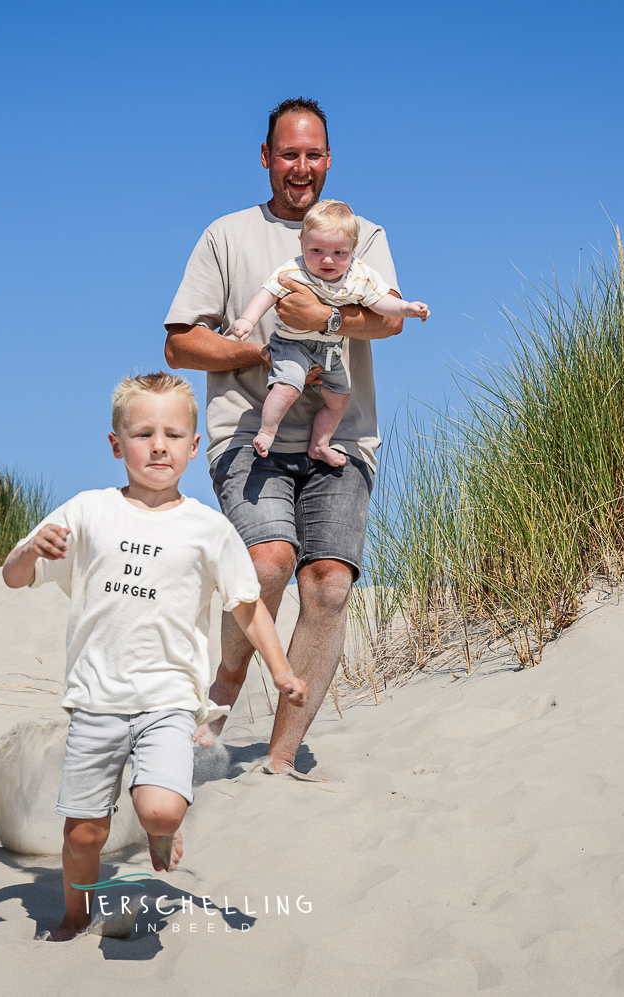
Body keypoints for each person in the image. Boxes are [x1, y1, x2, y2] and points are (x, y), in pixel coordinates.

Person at [1, 372, 307, 942]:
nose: (158, 445)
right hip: (97, 699)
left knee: (161, 809)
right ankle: (74, 914)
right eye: (143, 433)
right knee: (84, 836)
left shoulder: (208, 528)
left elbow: (248, 608)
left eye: (173, 434)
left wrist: (283, 671)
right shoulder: (88, 510)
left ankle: (162, 833)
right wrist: (30, 549)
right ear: (116, 444)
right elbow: (15, 577)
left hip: (169, 699)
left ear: (195, 446)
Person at [163, 97, 408, 777]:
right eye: (289, 154)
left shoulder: (362, 233)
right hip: (249, 432)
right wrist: (265, 351)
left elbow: (386, 319)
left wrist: (319, 321)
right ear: (267, 159)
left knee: (328, 583)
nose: (301, 167)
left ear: (328, 160)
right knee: (269, 561)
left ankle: (278, 760)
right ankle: (229, 681)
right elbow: (181, 343)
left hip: (343, 436)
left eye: (313, 154)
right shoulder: (228, 235)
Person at [230, 198, 429, 467]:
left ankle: (319, 444)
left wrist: (406, 308)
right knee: (288, 387)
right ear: (301, 243)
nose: (327, 259)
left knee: (340, 398)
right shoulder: (294, 270)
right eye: (317, 250)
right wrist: (247, 320)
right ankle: (267, 431)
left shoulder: (359, 275)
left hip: (329, 351)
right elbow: (267, 295)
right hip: (292, 344)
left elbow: (379, 302)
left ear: (353, 249)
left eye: (339, 253)